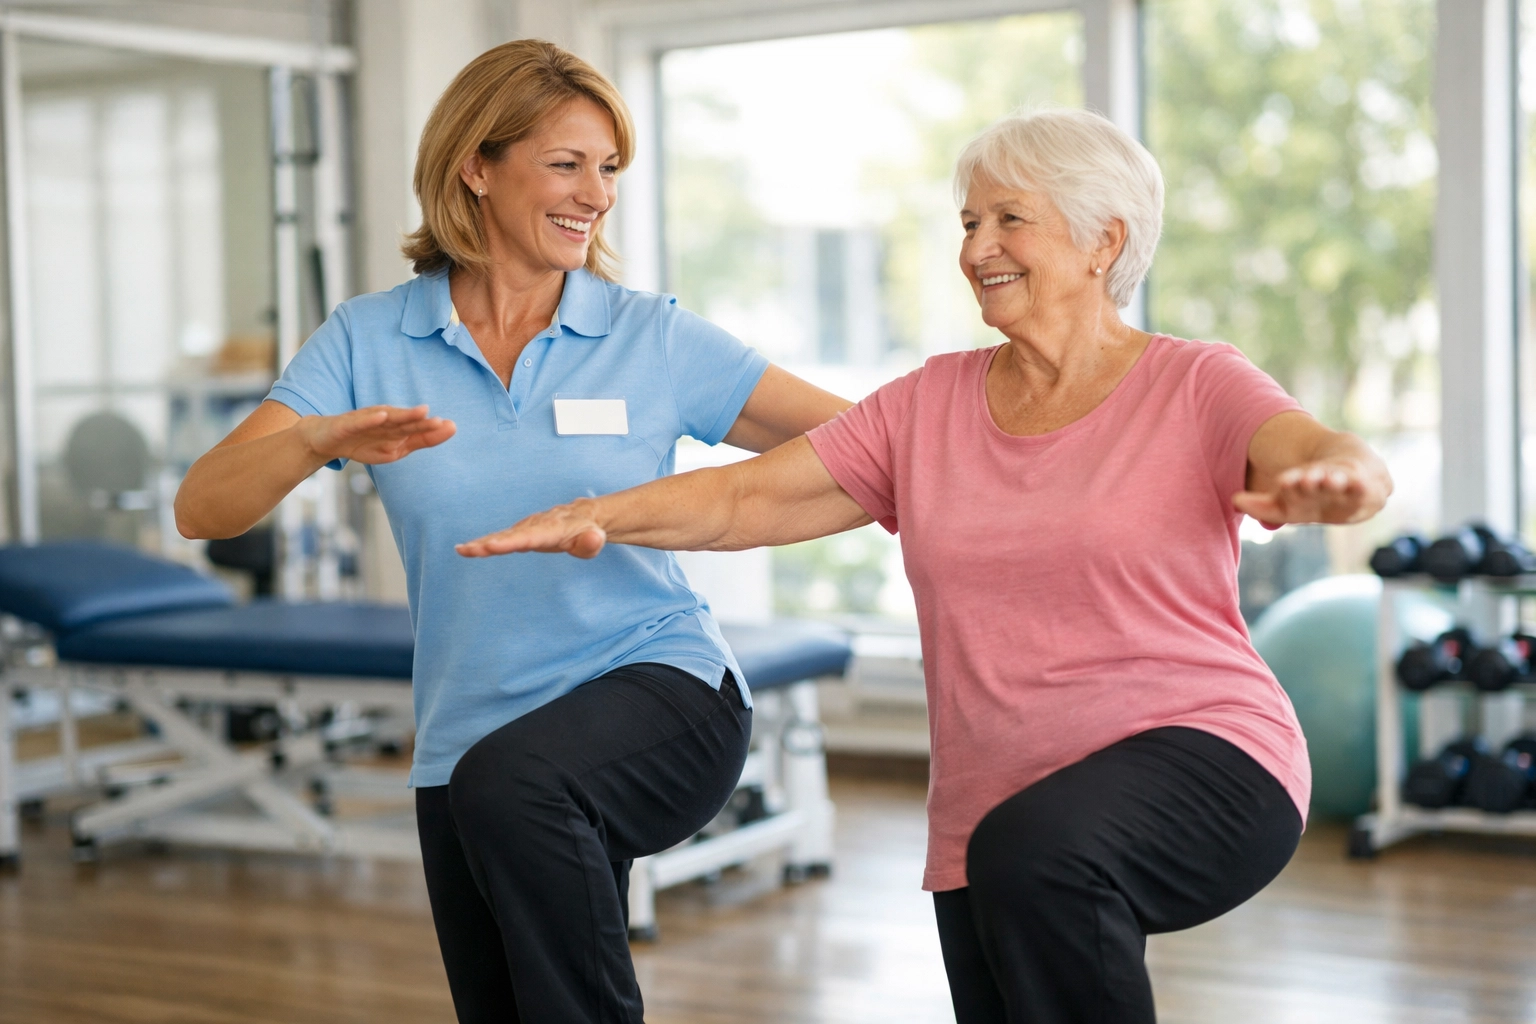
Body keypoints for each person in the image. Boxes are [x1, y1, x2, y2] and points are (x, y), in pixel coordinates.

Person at [455, 107, 1393, 1024]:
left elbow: (1314, 446)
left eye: (1009, 219)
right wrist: (596, 515)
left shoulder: (1194, 382)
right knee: (1022, 882)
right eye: (969, 222)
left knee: (1041, 855)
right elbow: (746, 498)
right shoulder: (927, 406)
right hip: (991, 817)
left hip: (1208, 753)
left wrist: (1343, 479)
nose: (977, 246)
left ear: (1103, 242)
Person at [175, 40, 850, 1024]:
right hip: (468, 740)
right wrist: (316, 435)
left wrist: (715, 508)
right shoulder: (369, 340)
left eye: (610, 169)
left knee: (519, 790)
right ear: (476, 166)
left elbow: (860, 442)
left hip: (662, 688)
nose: (598, 195)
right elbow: (205, 506)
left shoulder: (647, 335)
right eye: (568, 164)